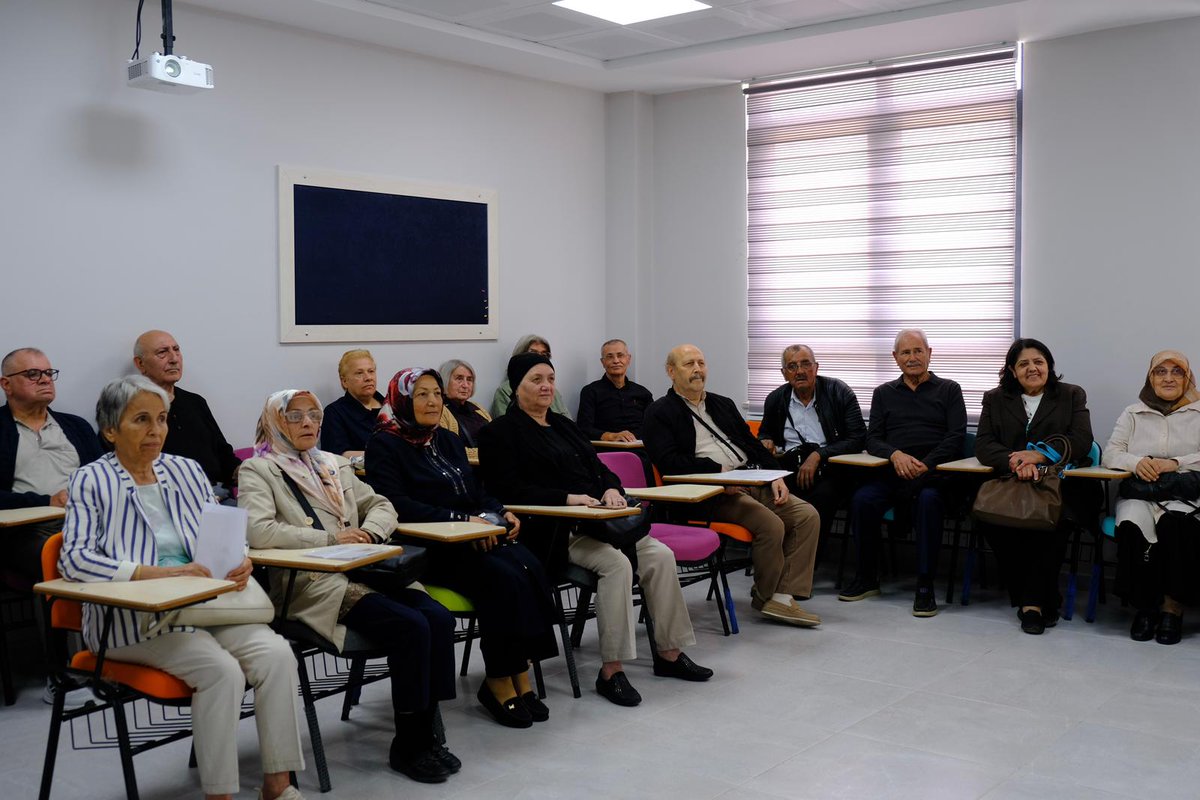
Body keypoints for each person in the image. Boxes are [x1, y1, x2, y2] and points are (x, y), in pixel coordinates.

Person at [58, 375, 306, 800]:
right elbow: (74, 559)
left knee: (278, 655)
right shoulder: (90, 480)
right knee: (222, 672)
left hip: (208, 607)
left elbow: (220, 534)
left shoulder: (186, 470)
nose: (156, 431)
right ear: (110, 429)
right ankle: (219, 794)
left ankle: (277, 786)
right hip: (134, 621)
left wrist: (239, 559)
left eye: (161, 419)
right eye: (141, 420)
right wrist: (160, 575)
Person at [238, 388, 461, 783]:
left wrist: (371, 535)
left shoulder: (333, 464)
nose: (308, 423)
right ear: (275, 421)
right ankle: (408, 744)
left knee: (438, 618)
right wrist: (329, 540)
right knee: (409, 626)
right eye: (295, 416)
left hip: (367, 567)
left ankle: (427, 731)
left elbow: (382, 505)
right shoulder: (260, 469)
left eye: (314, 415)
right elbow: (257, 530)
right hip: (310, 582)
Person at [478, 352, 712, 707]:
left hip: (604, 523)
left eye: (550, 379)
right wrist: (568, 498)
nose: (545, 386)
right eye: (535, 380)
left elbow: (600, 468)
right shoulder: (500, 432)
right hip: (557, 530)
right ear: (516, 386)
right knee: (617, 566)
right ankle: (612, 670)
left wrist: (611, 489)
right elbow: (506, 489)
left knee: (660, 555)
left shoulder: (563, 425)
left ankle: (669, 653)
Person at [366, 368, 558, 728]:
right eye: (421, 394)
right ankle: (499, 680)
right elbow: (397, 505)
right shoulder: (384, 444)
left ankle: (522, 668)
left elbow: (475, 491)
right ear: (402, 399)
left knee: (530, 565)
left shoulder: (448, 440)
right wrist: (462, 521)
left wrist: (499, 512)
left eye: (436, 394)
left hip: (469, 538)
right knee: (501, 579)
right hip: (428, 549)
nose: (432, 402)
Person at [642, 344, 822, 627]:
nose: (698, 369)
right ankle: (766, 599)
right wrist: (718, 473)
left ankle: (784, 595)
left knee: (806, 516)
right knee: (771, 524)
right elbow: (669, 463)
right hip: (709, 494)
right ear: (671, 372)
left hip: (750, 479)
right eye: (689, 364)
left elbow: (753, 446)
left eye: (701, 362)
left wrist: (776, 477)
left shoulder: (722, 403)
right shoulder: (659, 412)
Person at [974, 338, 1099, 634]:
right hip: (1012, 481)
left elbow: (1082, 440)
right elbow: (984, 444)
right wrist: (1018, 461)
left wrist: (1040, 455)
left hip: (1062, 484)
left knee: (1050, 524)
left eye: (1039, 362)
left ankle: (1031, 603)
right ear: (1012, 371)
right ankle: (1042, 600)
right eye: (1024, 364)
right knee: (993, 521)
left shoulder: (1071, 395)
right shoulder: (995, 398)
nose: (1032, 368)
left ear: (1049, 366)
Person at [839, 329, 966, 617]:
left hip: (933, 474)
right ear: (895, 358)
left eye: (918, 351)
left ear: (929, 353)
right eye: (905, 353)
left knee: (928, 501)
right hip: (892, 472)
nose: (912, 358)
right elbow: (873, 439)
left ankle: (925, 584)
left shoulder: (949, 389)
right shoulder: (883, 393)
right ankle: (867, 578)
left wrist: (926, 463)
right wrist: (895, 456)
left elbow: (956, 436)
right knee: (862, 500)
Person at [1102, 350, 1200, 645]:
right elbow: (1111, 453)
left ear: (1187, 378)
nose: (1168, 378)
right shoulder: (1133, 412)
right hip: (1141, 494)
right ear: (1150, 378)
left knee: (1177, 527)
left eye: (1177, 372)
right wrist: (1136, 462)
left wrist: (1177, 463)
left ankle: (1172, 609)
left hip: (1186, 496)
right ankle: (1145, 607)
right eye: (1160, 371)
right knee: (1132, 528)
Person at [1, 348, 103, 582]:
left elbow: (104, 479)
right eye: (33, 374)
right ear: (6, 384)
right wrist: (46, 501)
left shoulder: (77, 426)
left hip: (87, 523)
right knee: (68, 556)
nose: (46, 379)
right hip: (27, 532)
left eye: (49, 372)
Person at [758, 344, 865, 545]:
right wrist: (766, 440)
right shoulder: (775, 399)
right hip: (789, 469)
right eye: (792, 366)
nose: (800, 371)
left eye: (806, 364)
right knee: (769, 495)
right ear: (784, 374)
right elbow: (765, 432)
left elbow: (858, 438)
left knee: (822, 498)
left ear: (816, 368)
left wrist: (818, 455)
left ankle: (807, 564)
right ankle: (779, 557)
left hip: (831, 469)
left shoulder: (838, 392)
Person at [133, 330, 241, 499]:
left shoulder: (195, 402)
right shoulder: (131, 409)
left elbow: (224, 456)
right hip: (172, 502)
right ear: (140, 364)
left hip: (219, 497)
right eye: (162, 352)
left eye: (176, 350)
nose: (174, 358)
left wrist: (251, 473)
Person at [577, 339, 654, 443]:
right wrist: (611, 436)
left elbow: (654, 425)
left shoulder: (643, 393)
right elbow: (584, 428)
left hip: (642, 448)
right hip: (607, 449)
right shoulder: (590, 392)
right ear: (602, 362)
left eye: (620, 355)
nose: (616, 361)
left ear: (628, 359)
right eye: (609, 357)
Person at [320, 349, 384, 460]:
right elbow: (336, 455)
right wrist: (382, 455)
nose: (368, 378)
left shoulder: (392, 407)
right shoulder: (335, 412)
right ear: (344, 381)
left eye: (371, 371)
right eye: (359, 373)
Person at [489, 334, 571, 418]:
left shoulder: (551, 390)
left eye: (544, 355)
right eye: (533, 353)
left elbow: (568, 422)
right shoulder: (505, 391)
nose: (539, 358)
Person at [437, 359, 491, 461]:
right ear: (445, 380)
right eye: (459, 379)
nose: (465, 385)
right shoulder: (439, 411)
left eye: (469, 380)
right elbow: (451, 450)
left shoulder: (478, 408)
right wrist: (489, 453)